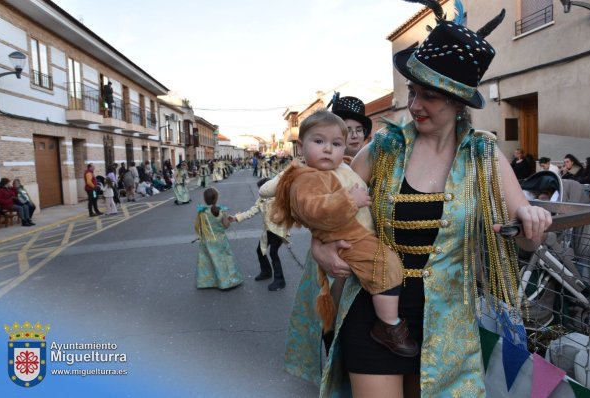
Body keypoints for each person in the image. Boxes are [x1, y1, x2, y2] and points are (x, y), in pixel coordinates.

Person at [284, 6, 552, 397]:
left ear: (459, 102)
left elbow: (525, 238)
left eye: (430, 96)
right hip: (373, 312)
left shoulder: (483, 156)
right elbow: (326, 203)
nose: (414, 105)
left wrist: (532, 219)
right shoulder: (385, 147)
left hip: (445, 324)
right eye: (413, 91)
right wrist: (320, 245)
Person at [272, 109, 416, 357]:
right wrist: (322, 241)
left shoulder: (349, 165)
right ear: (301, 145)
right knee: (378, 272)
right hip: (348, 249)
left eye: (337, 142)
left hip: (364, 242)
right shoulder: (312, 175)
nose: (329, 149)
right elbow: (315, 210)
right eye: (319, 141)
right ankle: (382, 328)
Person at [230, 178, 291, 292]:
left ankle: (280, 280)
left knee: (273, 252)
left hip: (278, 230)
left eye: (263, 190)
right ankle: (266, 272)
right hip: (268, 230)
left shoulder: (280, 198)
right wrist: (236, 218)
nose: (261, 192)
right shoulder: (261, 199)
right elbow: (252, 211)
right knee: (260, 250)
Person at [195, 187, 243, 290]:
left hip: (207, 239)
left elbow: (200, 226)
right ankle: (227, 282)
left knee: (208, 260)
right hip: (220, 239)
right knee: (224, 260)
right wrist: (230, 220)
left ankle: (208, 281)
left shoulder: (201, 212)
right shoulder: (222, 211)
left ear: (205, 199)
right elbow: (226, 225)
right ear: (216, 198)